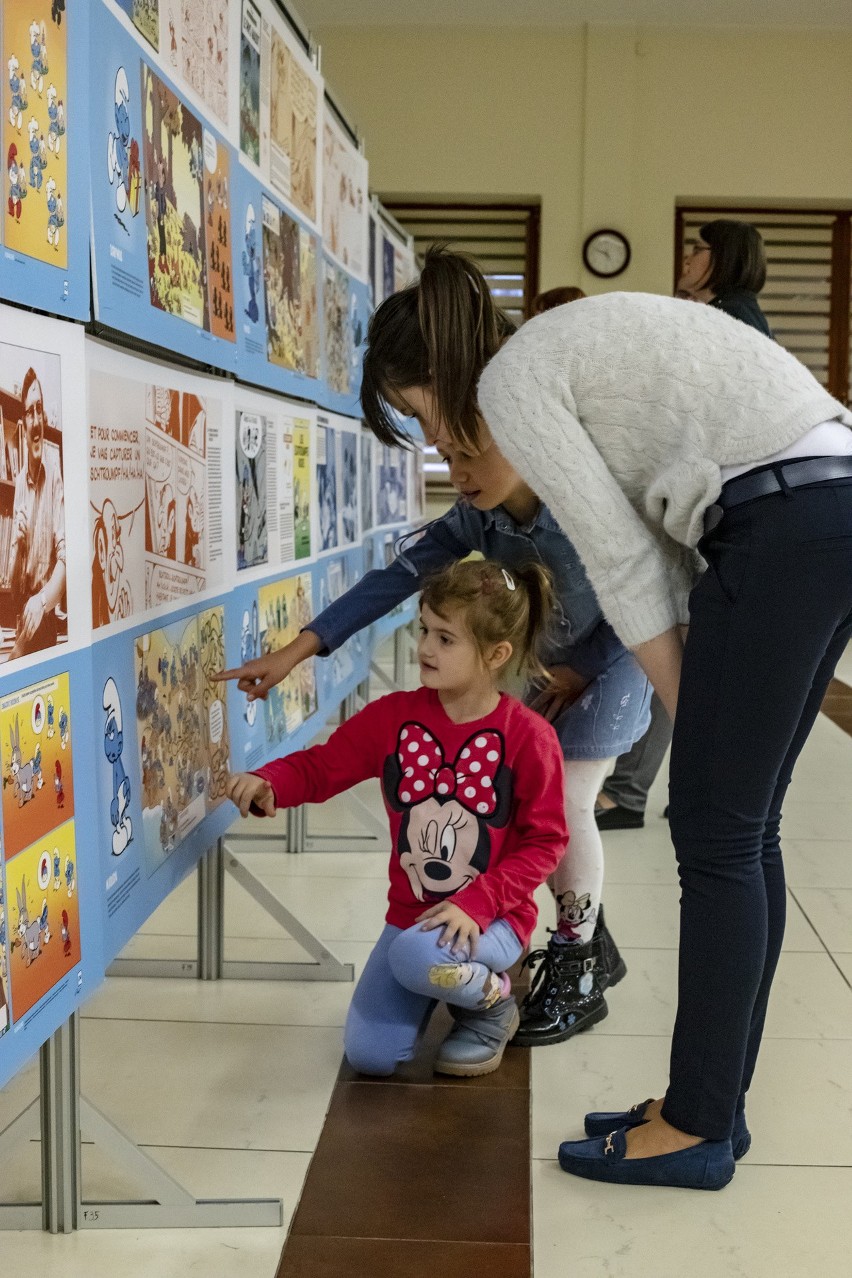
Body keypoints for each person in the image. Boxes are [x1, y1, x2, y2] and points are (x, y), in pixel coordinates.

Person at [360, 245, 852, 1190]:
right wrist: (693, 704)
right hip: (822, 504)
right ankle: (713, 1107)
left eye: (416, 411)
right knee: (743, 832)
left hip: (784, 523)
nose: (433, 440)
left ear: (432, 376)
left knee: (718, 834)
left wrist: (685, 705)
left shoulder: (515, 385)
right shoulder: (542, 357)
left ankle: (699, 1123)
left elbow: (626, 565)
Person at [218, 292, 654, 1046]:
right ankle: (585, 942)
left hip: (618, 659)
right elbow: (393, 580)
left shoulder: (583, 483)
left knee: (572, 802)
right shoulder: (476, 513)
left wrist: (587, 668)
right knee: (534, 808)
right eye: (436, 446)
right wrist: (299, 649)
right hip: (547, 668)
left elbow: (645, 586)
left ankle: (578, 962)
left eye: (455, 442)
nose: (444, 459)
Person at [227, 560, 569, 1078]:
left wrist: (477, 904)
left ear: (496, 654)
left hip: (494, 919)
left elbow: (546, 843)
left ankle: (492, 1004)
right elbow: (323, 766)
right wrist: (272, 780)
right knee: (371, 1055)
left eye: (446, 638)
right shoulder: (395, 717)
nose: (426, 648)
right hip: (411, 919)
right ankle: (443, 980)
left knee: (416, 959)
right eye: (424, 630)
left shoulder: (529, 737)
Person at [597, 218, 774, 831]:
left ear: (722, 259)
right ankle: (655, 788)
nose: (690, 255)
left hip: (712, 515)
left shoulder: (730, 322)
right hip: (706, 512)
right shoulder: (720, 316)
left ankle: (631, 791)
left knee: (674, 651)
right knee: (680, 652)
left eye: (700, 248)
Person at [5, 367, 66, 661]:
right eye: (30, 412)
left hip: (45, 620)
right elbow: (15, 588)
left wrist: (41, 602)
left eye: (39, 409)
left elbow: (65, 562)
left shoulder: (55, 475)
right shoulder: (17, 482)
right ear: (24, 424)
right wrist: (16, 546)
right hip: (21, 619)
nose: (36, 419)